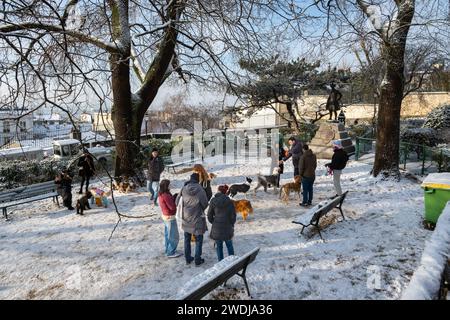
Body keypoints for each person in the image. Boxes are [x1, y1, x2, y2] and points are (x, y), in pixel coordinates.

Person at [176, 173, 209, 266]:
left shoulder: (183, 188)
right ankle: (197, 259)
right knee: (199, 240)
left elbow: (176, 201)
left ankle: (188, 258)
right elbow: (205, 203)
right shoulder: (200, 189)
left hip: (186, 219)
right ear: (198, 180)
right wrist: (199, 208)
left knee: (187, 239)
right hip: (197, 219)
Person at [207, 185, 236, 261]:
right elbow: (233, 216)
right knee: (229, 245)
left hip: (217, 228)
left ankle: (221, 262)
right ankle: (232, 261)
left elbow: (209, 215)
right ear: (225, 192)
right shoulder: (229, 201)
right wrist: (231, 224)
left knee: (219, 247)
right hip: (228, 227)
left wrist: (214, 222)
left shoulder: (213, 201)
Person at [158, 179, 182, 258]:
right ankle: (171, 252)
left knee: (168, 235)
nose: (171, 185)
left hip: (165, 216)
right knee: (174, 236)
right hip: (169, 217)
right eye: (169, 184)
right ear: (166, 186)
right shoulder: (166, 195)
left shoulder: (162, 194)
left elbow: (169, 202)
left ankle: (168, 250)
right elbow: (172, 207)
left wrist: (174, 196)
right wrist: (176, 200)